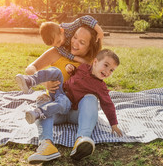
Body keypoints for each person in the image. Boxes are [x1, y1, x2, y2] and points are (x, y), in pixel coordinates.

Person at [21, 26, 106, 163]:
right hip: (55, 110)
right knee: (42, 100)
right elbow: (30, 68)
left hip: (77, 112)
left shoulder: (92, 61)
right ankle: (47, 145)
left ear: (90, 47)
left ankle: (82, 140)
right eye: (75, 37)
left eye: (82, 42)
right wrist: (45, 83)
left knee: (91, 98)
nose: (75, 43)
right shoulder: (57, 52)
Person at [16, 50, 123, 148]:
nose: (107, 71)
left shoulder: (101, 87)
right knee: (56, 71)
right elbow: (76, 75)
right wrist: (70, 68)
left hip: (70, 106)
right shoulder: (84, 67)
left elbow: (108, 105)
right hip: (60, 94)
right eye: (106, 65)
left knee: (75, 100)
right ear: (95, 62)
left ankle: (40, 113)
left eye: (111, 70)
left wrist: (113, 123)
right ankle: (30, 81)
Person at [36, 15, 104, 65]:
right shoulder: (58, 46)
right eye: (55, 45)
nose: (59, 45)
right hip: (75, 51)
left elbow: (84, 19)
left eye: (59, 42)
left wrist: (99, 30)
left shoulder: (69, 28)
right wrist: (83, 61)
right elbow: (69, 55)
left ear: (62, 30)